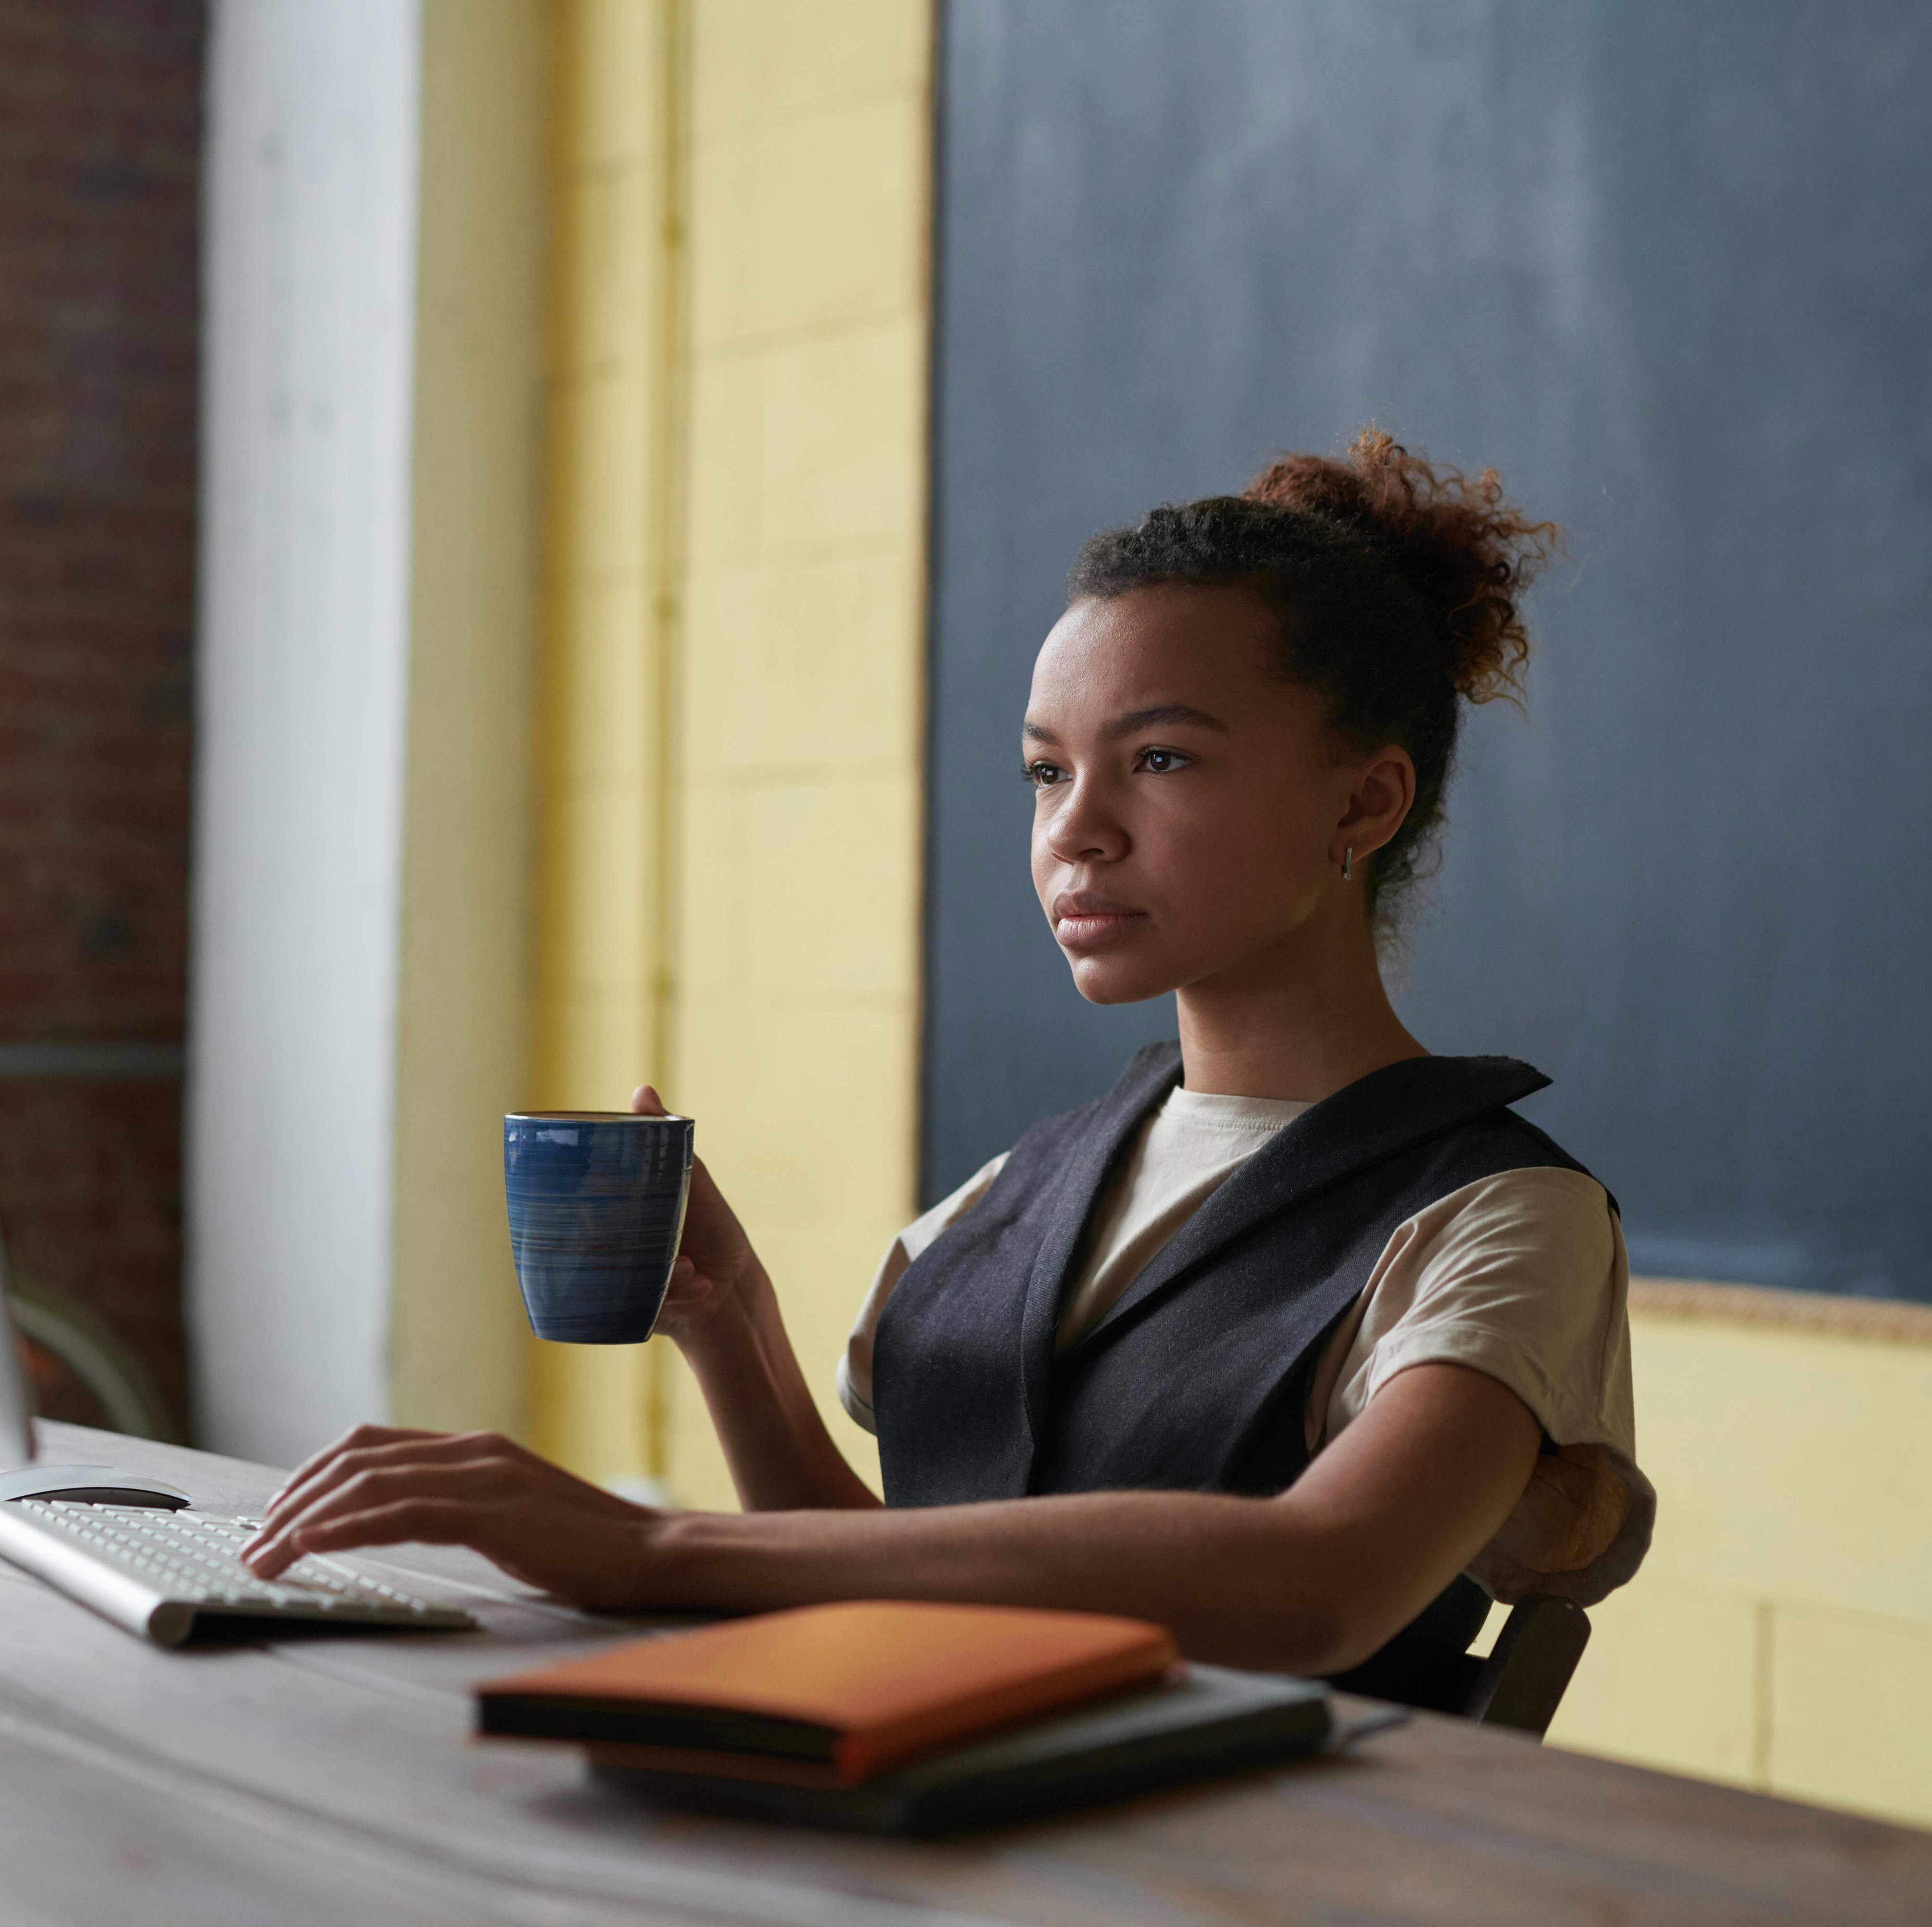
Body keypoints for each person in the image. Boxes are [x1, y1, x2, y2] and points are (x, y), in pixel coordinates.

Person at [244, 432, 1653, 1694]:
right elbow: (901, 1573)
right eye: (1047, 772)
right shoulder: (1028, 1182)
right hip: (925, 1827)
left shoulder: (1500, 1214)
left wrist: (649, 1547)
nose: (1074, 832)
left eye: (1157, 761)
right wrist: (737, 1336)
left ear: (1365, 797)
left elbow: (1318, 1588)